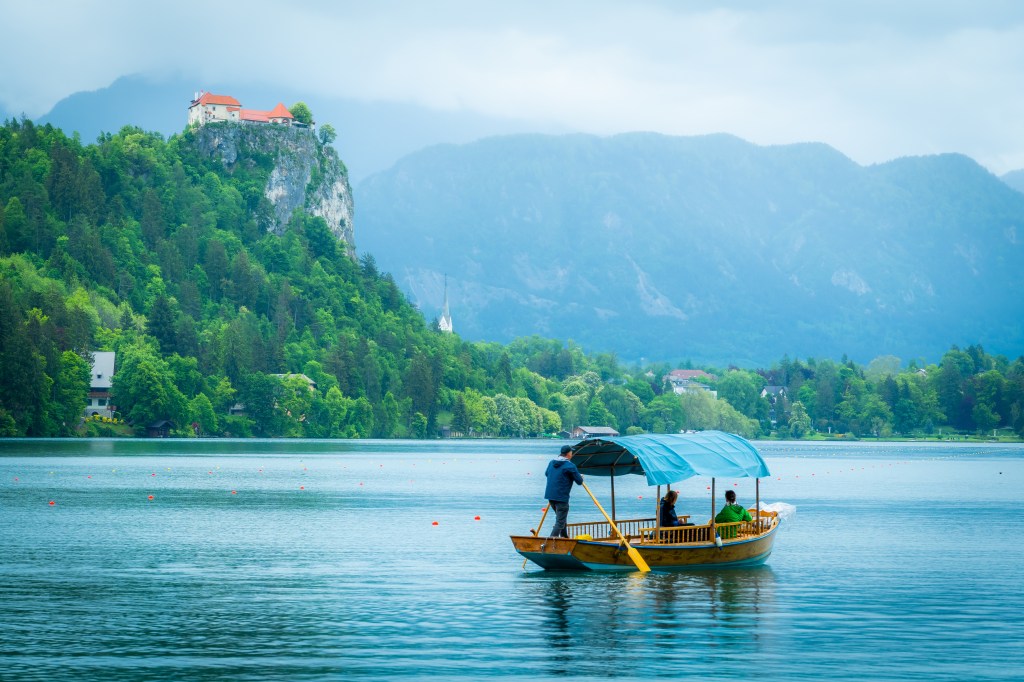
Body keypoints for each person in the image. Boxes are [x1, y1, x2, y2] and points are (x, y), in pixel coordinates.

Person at [544, 444, 584, 538]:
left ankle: (565, 539)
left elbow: (547, 474)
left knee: (562, 519)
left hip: (551, 496)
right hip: (561, 497)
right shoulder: (570, 466)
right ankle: (550, 542)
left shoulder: (551, 462)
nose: (572, 454)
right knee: (560, 522)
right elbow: (579, 481)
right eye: (571, 452)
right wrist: (579, 476)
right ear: (568, 454)